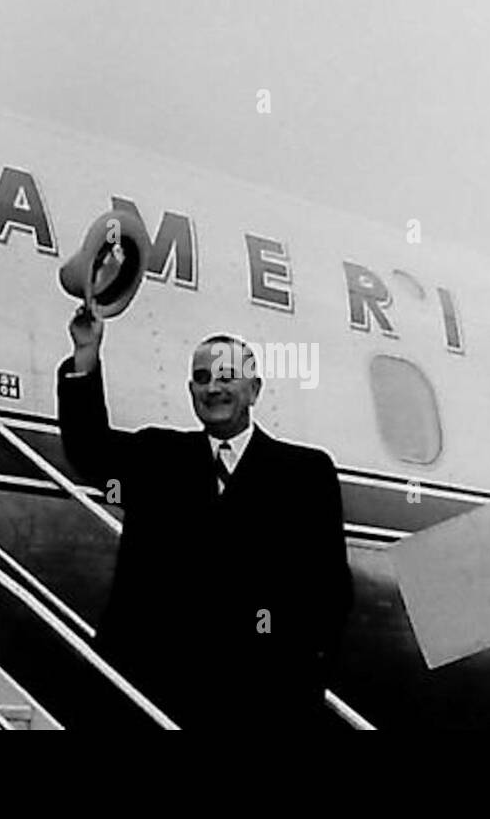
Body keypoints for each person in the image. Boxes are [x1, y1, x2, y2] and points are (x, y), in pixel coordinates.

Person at [56, 302, 352, 729]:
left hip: (254, 697)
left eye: (227, 377)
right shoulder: (157, 456)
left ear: (255, 389)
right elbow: (88, 450)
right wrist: (86, 355)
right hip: (149, 692)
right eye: (201, 378)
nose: (213, 388)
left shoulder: (305, 473)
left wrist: (302, 680)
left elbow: (330, 592)